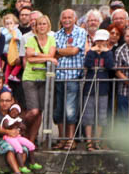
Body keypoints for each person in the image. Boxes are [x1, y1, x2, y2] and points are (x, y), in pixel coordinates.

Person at [53, 9, 87, 149]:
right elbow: (52, 52)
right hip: (59, 76)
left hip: (73, 76)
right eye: (64, 18)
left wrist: (59, 51)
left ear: (75, 19)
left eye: (69, 17)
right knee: (59, 109)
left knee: (70, 110)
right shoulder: (57, 34)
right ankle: (61, 139)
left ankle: (71, 139)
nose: (66, 20)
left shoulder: (80, 32)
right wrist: (62, 51)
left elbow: (74, 51)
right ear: (61, 20)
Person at [22, 13, 56, 143]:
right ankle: (20, 126)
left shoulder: (52, 39)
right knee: (33, 111)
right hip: (30, 77)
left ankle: (31, 140)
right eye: (39, 24)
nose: (41, 26)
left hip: (43, 78)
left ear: (48, 26)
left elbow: (51, 54)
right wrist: (46, 57)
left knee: (40, 112)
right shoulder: (31, 40)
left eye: (44, 24)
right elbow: (29, 58)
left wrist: (37, 55)